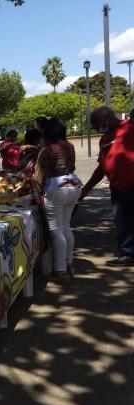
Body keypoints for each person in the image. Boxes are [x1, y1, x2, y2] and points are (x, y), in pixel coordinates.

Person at [80, 106, 134, 266]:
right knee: (122, 223)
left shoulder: (131, 127)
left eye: (95, 122)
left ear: (106, 117)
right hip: (118, 189)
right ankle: (128, 254)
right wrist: (85, 190)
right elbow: (101, 168)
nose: (95, 127)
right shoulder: (105, 139)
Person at [33, 118, 82, 280]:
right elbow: (72, 167)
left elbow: (39, 177)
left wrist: (34, 193)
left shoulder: (46, 151)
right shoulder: (69, 146)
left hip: (56, 191)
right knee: (66, 227)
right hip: (73, 186)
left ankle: (60, 270)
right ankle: (69, 265)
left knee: (56, 231)